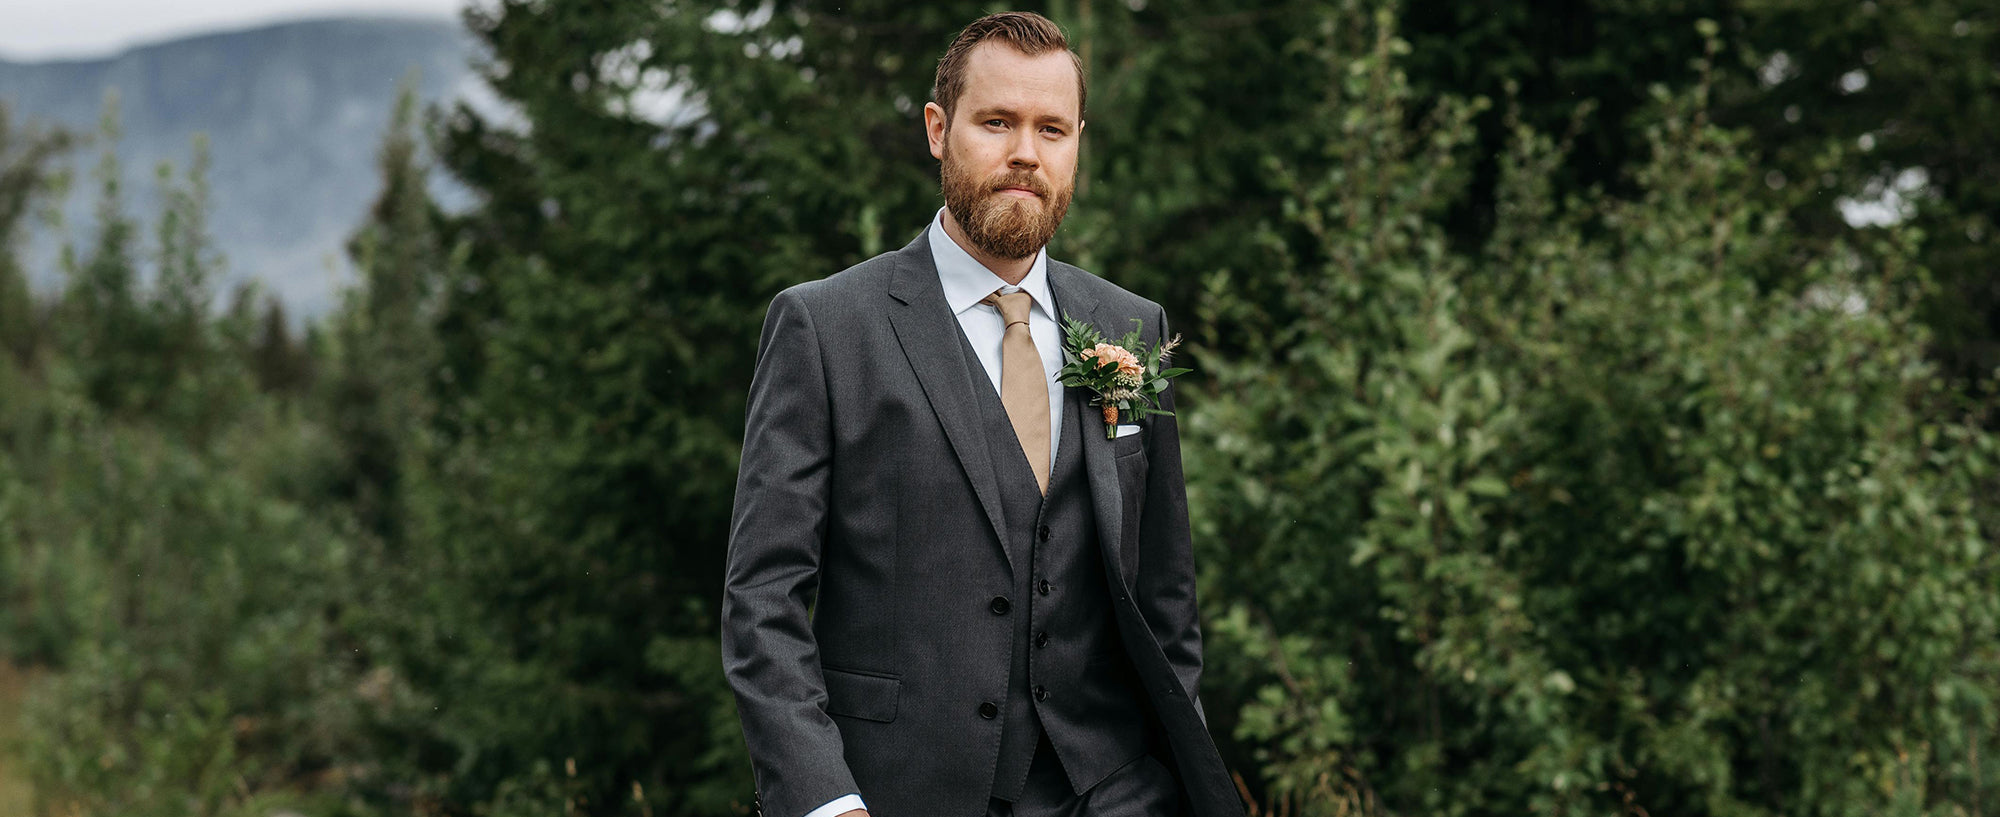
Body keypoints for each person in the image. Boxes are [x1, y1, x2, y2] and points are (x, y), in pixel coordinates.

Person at [722, 11, 1238, 817]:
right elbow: (763, 599)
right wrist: (826, 799)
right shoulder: (825, 328)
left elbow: (1166, 594)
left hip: (1117, 790)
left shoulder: (1128, 324)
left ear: (1076, 144)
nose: (1025, 152)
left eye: (1051, 129)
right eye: (996, 122)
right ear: (939, 128)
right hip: (901, 794)